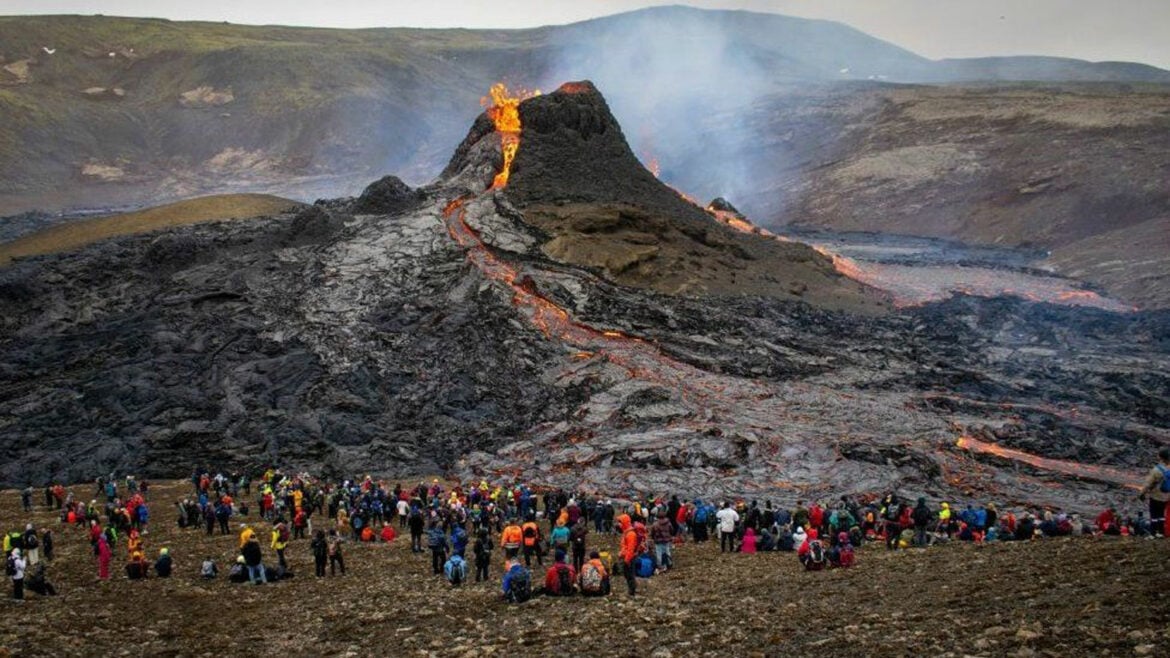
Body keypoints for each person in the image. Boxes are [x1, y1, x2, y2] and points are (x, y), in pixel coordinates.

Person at [1138, 446, 1170, 537]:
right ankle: (1161, 532)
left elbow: (1148, 484)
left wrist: (1142, 494)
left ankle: (1153, 533)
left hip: (1156, 496)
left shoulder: (1157, 470)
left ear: (1160, 457)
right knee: (1161, 515)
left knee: (1154, 515)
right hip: (1167, 496)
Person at [619, 516, 639, 597]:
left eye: (620, 522)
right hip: (627, 556)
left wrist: (626, 560)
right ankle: (631, 589)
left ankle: (632, 591)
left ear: (624, 523)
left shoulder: (630, 534)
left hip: (629, 558)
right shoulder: (627, 532)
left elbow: (631, 549)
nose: (619, 524)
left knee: (630, 574)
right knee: (628, 574)